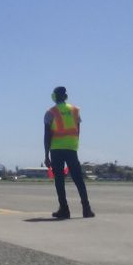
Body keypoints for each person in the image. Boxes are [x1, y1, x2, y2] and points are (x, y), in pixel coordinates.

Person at [44, 86, 95, 219]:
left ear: (54, 96)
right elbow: (78, 131)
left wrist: (46, 154)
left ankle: (64, 209)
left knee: (59, 180)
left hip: (56, 149)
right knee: (78, 179)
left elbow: (47, 135)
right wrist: (74, 145)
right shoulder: (75, 111)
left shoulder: (50, 112)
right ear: (65, 97)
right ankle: (86, 208)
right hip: (71, 148)